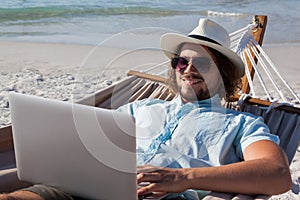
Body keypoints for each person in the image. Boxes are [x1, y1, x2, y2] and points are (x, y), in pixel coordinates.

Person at [0, 18, 291, 200]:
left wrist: (181, 178)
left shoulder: (241, 124)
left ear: (223, 73)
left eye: (201, 63)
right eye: (181, 62)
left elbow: (277, 174)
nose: (188, 70)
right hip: (92, 189)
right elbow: (91, 148)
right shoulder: (139, 108)